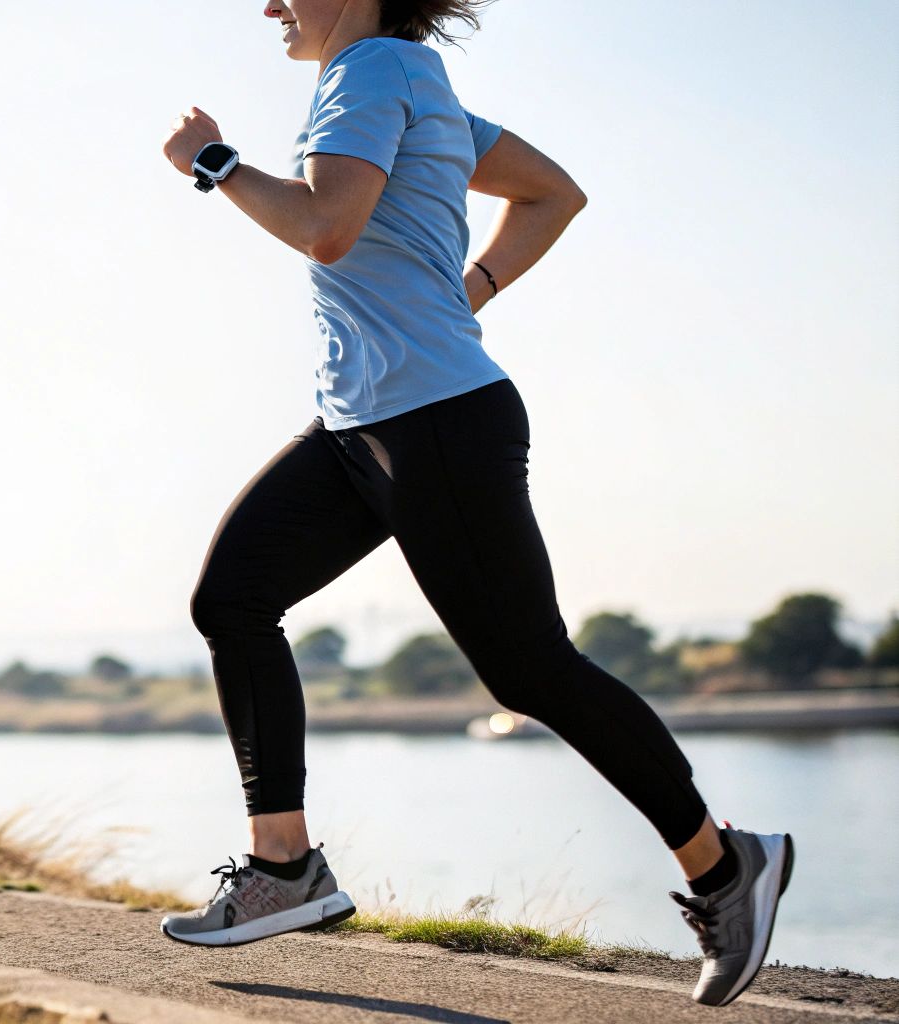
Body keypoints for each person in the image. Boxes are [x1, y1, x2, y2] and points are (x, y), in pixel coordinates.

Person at [156, 0, 793, 1007]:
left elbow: (325, 229)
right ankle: (283, 866)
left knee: (529, 668)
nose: (269, 5)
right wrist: (473, 287)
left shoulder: (368, 72)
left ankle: (723, 869)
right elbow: (553, 194)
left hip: (437, 423)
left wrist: (215, 164)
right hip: (358, 426)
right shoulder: (408, 81)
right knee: (230, 598)